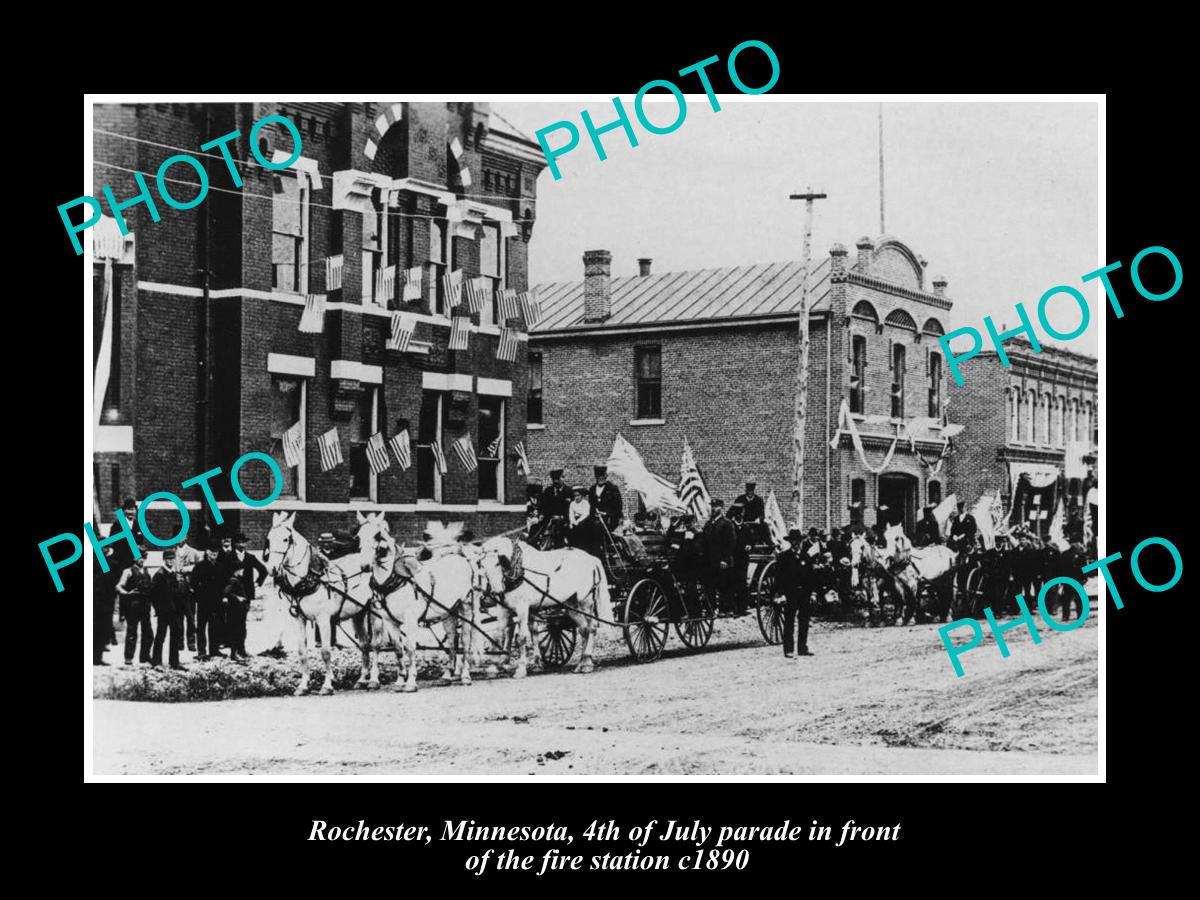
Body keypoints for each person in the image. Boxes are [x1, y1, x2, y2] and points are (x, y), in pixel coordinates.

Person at [220, 532, 268, 654]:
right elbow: (223, 575)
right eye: (239, 542)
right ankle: (232, 649)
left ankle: (241, 649)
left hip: (246, 594)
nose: (242, 544)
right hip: (232, 594)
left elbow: (263, 570)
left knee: (242, 622)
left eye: (244, 542)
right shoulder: (228, 557)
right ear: (235, 544)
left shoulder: (250, 557)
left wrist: (256, 584)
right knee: (231, 621)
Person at [775, 529, 813, 658]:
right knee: (789, 622)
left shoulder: (806, 557)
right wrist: (780, 594)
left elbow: (810, 577)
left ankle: (802, 648)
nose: (797, 544)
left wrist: (812, 593)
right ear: (790, 542)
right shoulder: (783, 557)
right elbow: (779, 578)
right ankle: (788, 649)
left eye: (799, 541)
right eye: (794, 542)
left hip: (804, 594)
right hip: (790, 594)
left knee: (804, 621)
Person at [114, 543, 154, 666]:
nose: (142, 560)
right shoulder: (128, 571)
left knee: (148, 633)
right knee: (132, 632)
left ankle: (144, 656)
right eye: (139, 557)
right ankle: (128, 658)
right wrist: (127, 593)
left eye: (144, 557)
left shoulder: (147, 572)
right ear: (134, 558)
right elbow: (118, 586)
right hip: (133, 606)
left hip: (145, 606)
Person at [150, 546, 188, 670]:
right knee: (161, 636)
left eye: (172, 559)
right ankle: (156, 662)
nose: (170, 561)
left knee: (175, 636)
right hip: (164, 612)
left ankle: (174, 662)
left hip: (175, 612)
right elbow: (154, 595)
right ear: (164, 560)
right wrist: (158, 610)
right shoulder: (159, 575)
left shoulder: (173, 574)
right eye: (168, 559)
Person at [703, 499, 740, 615]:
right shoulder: (708, 524)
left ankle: (725, 609)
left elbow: (731, 542)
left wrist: (725, 559)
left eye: (716, 507)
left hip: (722, 561)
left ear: (721, 508)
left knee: (723, 585)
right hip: (710, 561)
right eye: (712, 506)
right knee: (709, 585)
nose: (713, 509)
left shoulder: (727, 523)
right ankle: (710, 608)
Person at [191, 538, 226, 660]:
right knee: (201, 627)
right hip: (203, 601)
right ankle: (201, 651)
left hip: (216, 601)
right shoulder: (200, 566)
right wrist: (198, 596)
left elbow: (224, 584)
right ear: (207, 552)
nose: (214, 554)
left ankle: (214, 650)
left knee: (214, 626)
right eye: (211, 552)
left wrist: (223, 597)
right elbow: (193, 583)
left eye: (216, 552)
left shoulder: (221, 567)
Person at [222, 575, 251, 662]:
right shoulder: (233, 581)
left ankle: (240, 651)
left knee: (241, 631)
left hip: (240, 610)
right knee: (236, 632)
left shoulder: (239, 580)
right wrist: (237, 598)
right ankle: (234, 654)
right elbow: (226, 593)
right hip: (235, 610)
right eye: (240, 570)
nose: (242, 572)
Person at [589, 465, 623, 532]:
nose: (600, 479)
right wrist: (594, 513)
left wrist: (606, 513)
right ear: (596, 478)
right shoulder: (592, 489)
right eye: (598, 477)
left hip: (610, 517)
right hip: (596, 517)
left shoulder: (613, 489)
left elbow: (618, 506)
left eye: (602, 477)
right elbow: (591, 504)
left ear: (605, 476)